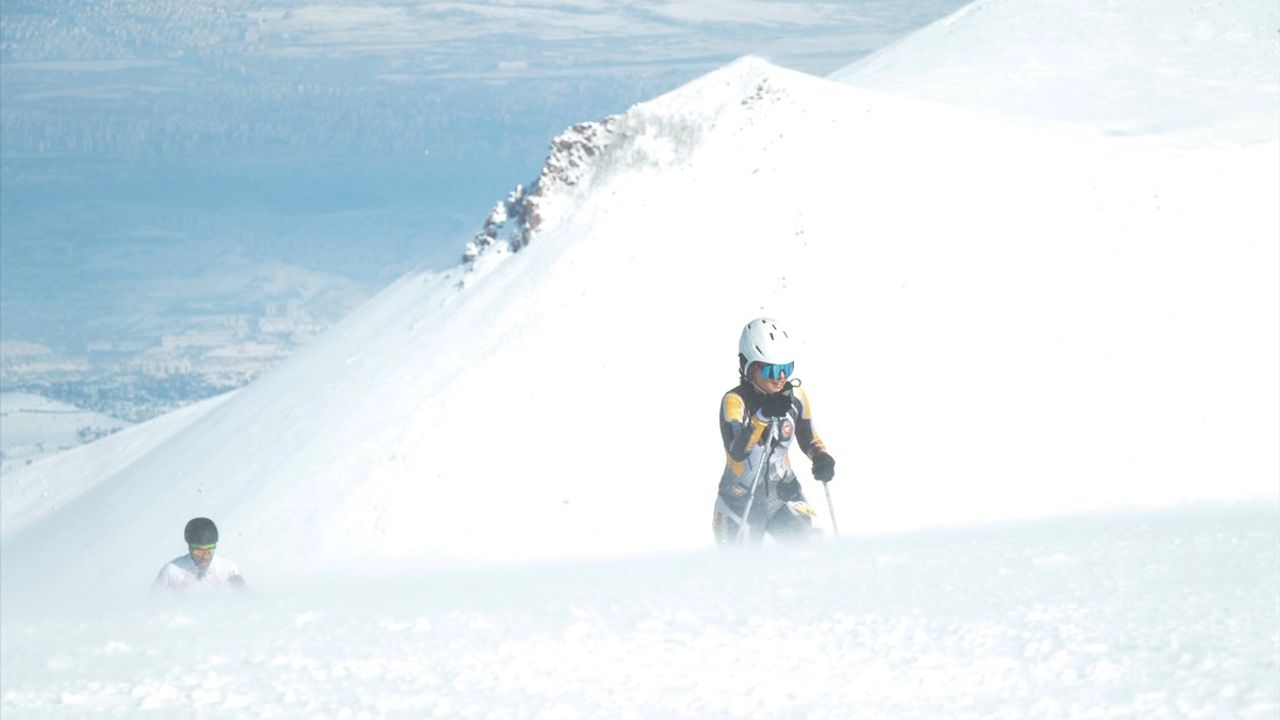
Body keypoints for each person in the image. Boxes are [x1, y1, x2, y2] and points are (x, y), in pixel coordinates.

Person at [713, 318, 836, 544]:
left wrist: (821, 457)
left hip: (784, 492)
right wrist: (762, 417)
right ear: (749, 369)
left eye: (787, 368)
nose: (781, 378)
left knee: (810, 549)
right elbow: (737, 451)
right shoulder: (734, 401)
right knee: (738, 570)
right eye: (772, 370)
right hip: (739, 501)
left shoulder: (796, 398)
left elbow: (808, 438)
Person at [152, 517, 247, 592]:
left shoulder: (229, 568)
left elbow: (252, 601)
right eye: (199, 552)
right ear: (189, 548)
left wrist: (242, 590)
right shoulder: (172, 570)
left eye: (209, 551)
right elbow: (152, 604)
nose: (205, 557)